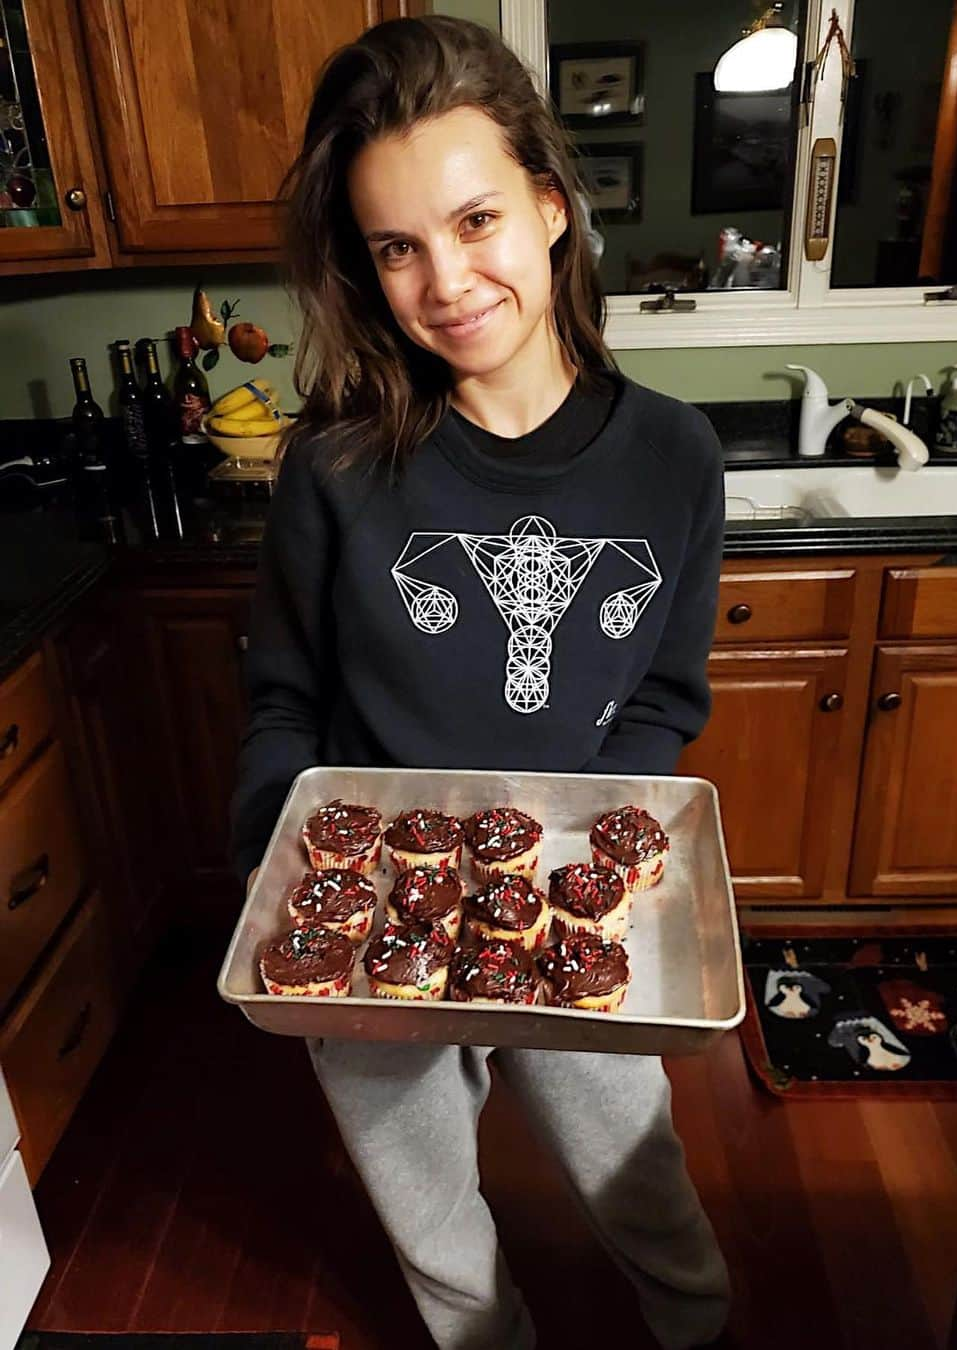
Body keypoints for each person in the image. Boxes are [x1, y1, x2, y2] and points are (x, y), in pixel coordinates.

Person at [230, 15, 730, 1350]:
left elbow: (667, 697)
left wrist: (591, 857)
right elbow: (284, 700)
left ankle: (699, 1329)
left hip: (567, 891)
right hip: (371, 904)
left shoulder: (674, 460)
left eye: (476, 221)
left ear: (552, 208)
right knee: (427, 1208)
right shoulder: (333, 469)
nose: (444, 278)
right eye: (397, 246)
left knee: (642, 1179)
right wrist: (283, 859)